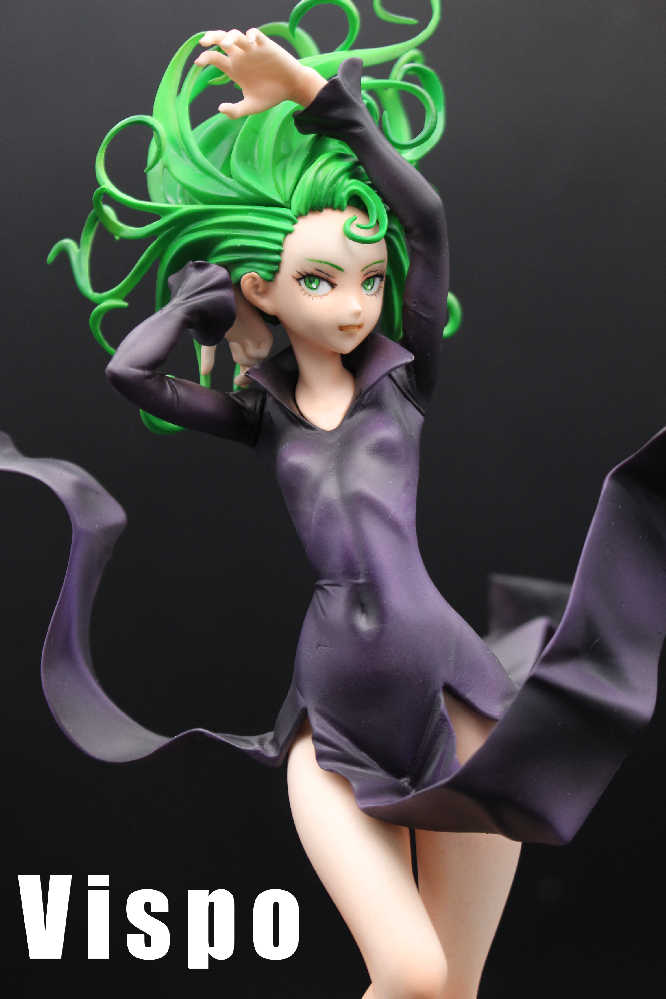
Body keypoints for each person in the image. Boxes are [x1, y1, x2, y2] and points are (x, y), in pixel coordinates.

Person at [3, 5, 664, 997]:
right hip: (335, 719)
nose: (354, 304)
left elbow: (424, 218)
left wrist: (313, 95)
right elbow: (130, 376)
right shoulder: (259, 414)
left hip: (457, 699)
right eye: (321, 280)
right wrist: (194, 304)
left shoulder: (404, 381)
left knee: (453, 988)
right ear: (266, 289)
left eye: (370, 278)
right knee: (409, 970)